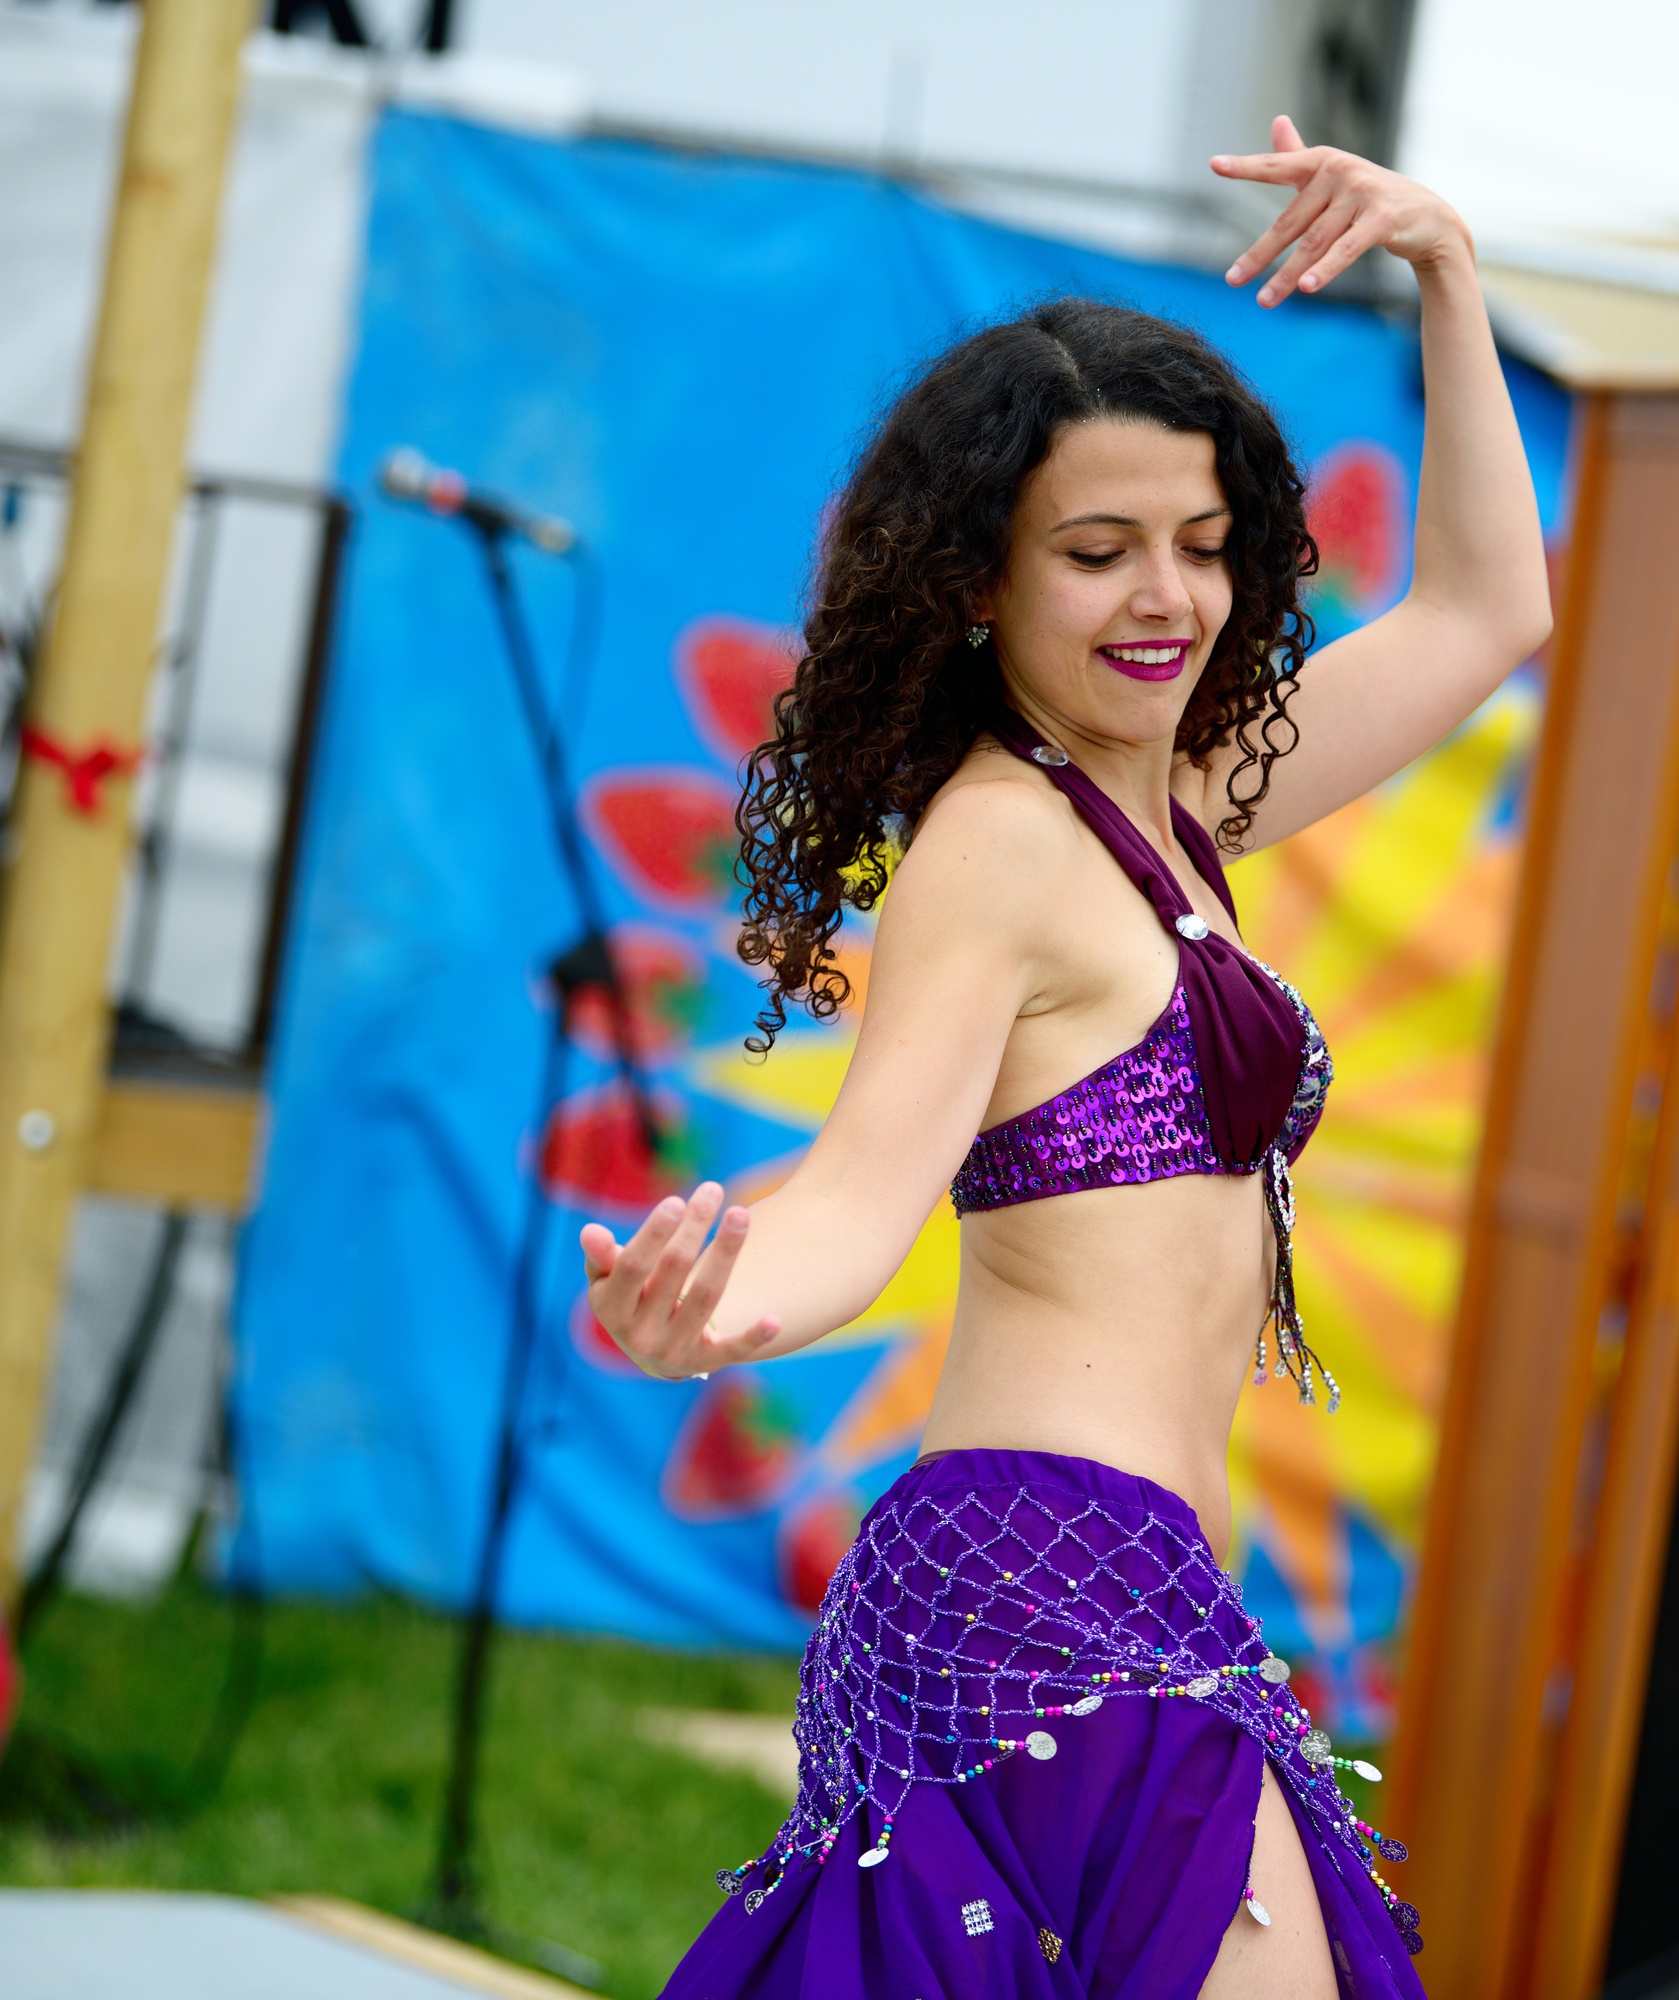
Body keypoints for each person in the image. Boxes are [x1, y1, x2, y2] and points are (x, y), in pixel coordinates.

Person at [582, 117, 1551, 2000]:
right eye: (1098, 553)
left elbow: (1481, 613)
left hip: (1129, 1582)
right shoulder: (1004, 848)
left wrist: (1444, 268)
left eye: (1203, 547)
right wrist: (714, 1315)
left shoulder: (1180, 808)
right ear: (980, 580)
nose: (1164, 598)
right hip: (1044, 1582)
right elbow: (866, 1186)